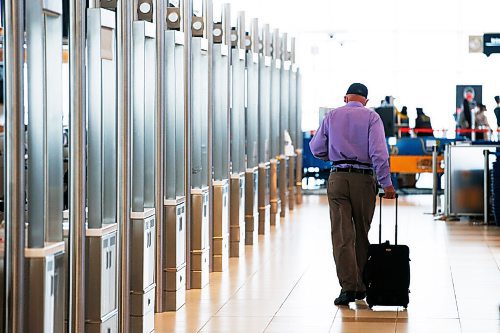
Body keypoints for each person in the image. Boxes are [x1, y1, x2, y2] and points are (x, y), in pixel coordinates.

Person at [309, 83, 396, 306]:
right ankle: (361, 286)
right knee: (360, 233)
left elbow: (316, 148)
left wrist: (335, 153)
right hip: (363, 180)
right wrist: (387, 184)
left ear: (346, 97)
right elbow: (378, 152)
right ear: (366, 100)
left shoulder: (331, 116)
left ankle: (348, 288)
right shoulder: (372, 117)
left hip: (337, 177)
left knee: (341, 234)